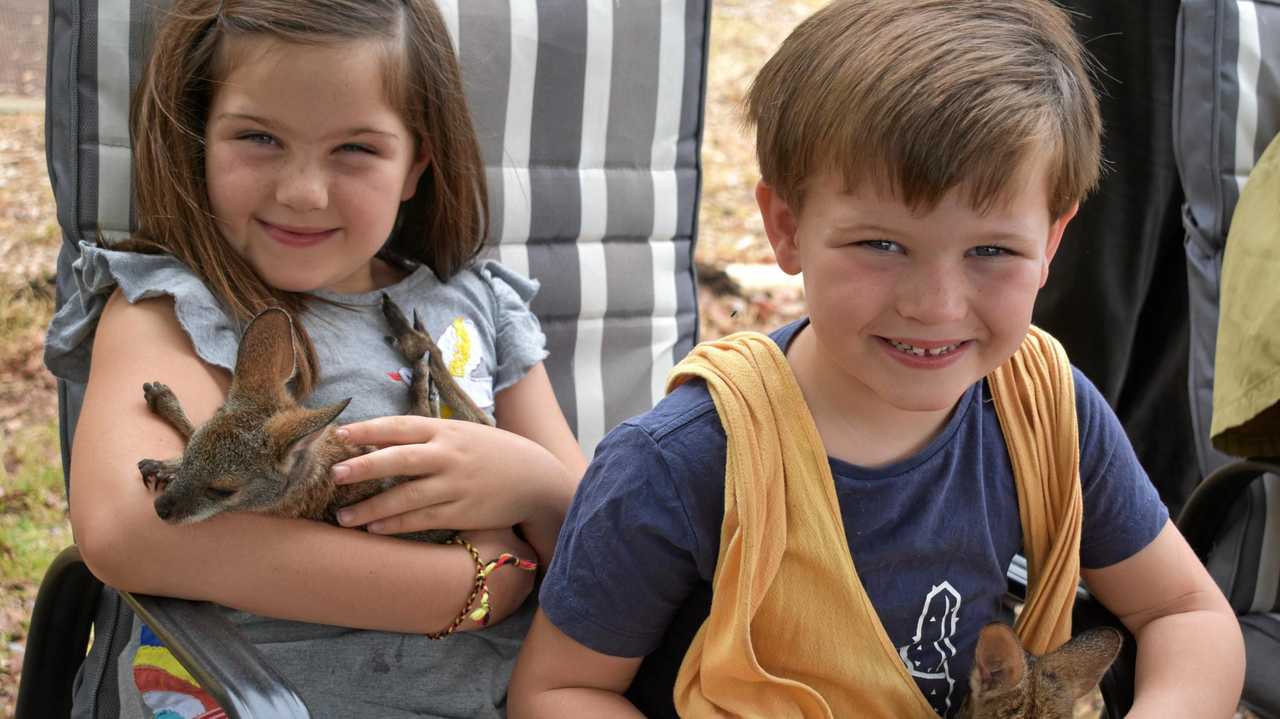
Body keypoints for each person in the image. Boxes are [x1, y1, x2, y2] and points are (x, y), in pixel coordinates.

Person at [509, 1, 1244, 718]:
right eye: (881, 244)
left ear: (1052, 242)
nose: (935, 303)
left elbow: (1185, 610)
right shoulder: (684, 463)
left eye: (991, 250)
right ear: (787, 228)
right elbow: (558, 690)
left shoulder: (1047, 410)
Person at [44, 0, 585, 716]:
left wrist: (535, 484)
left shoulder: (477, 305)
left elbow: (592, 534)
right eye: (259, 137)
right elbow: (127, 531)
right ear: (199, 137)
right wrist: (481, 583)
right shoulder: (172, 305)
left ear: (416, 163)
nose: (303, 192)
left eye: (355, 149)